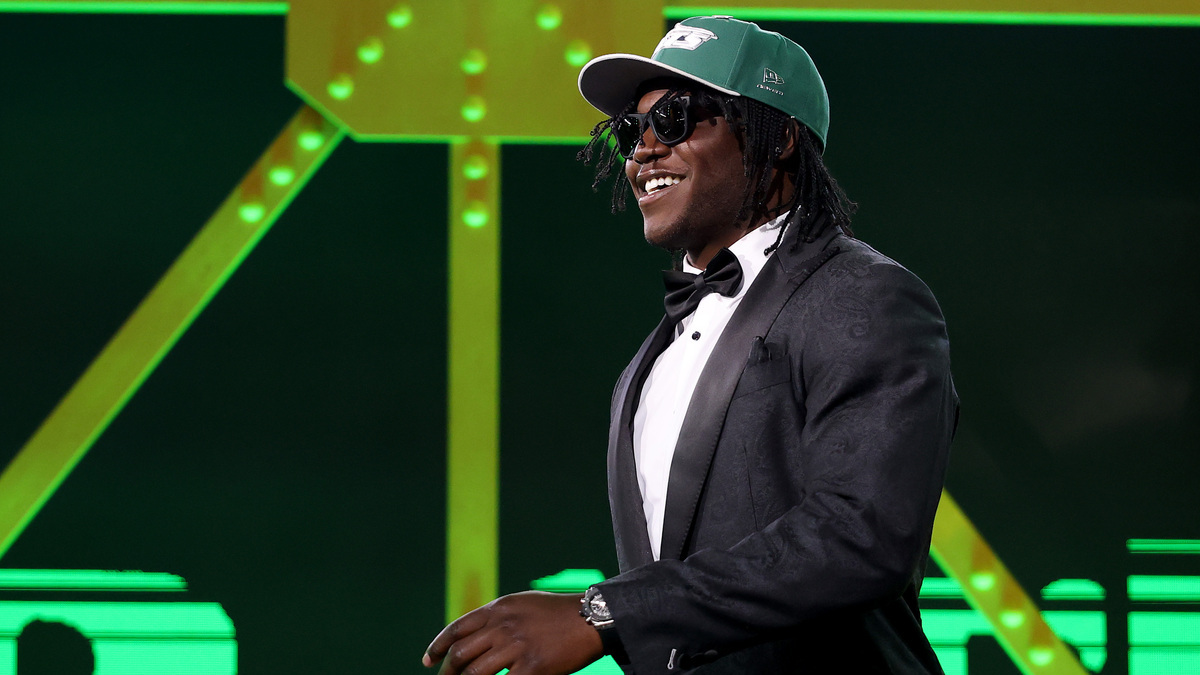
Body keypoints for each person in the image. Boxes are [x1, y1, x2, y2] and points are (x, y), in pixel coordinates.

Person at [423, 16, 958, 675]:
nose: (644, 149)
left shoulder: (864, 296)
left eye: (677, 118)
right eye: (630, 129)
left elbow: (862, 534)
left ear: (780, 137)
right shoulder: (651, 359)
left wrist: (607, 612)